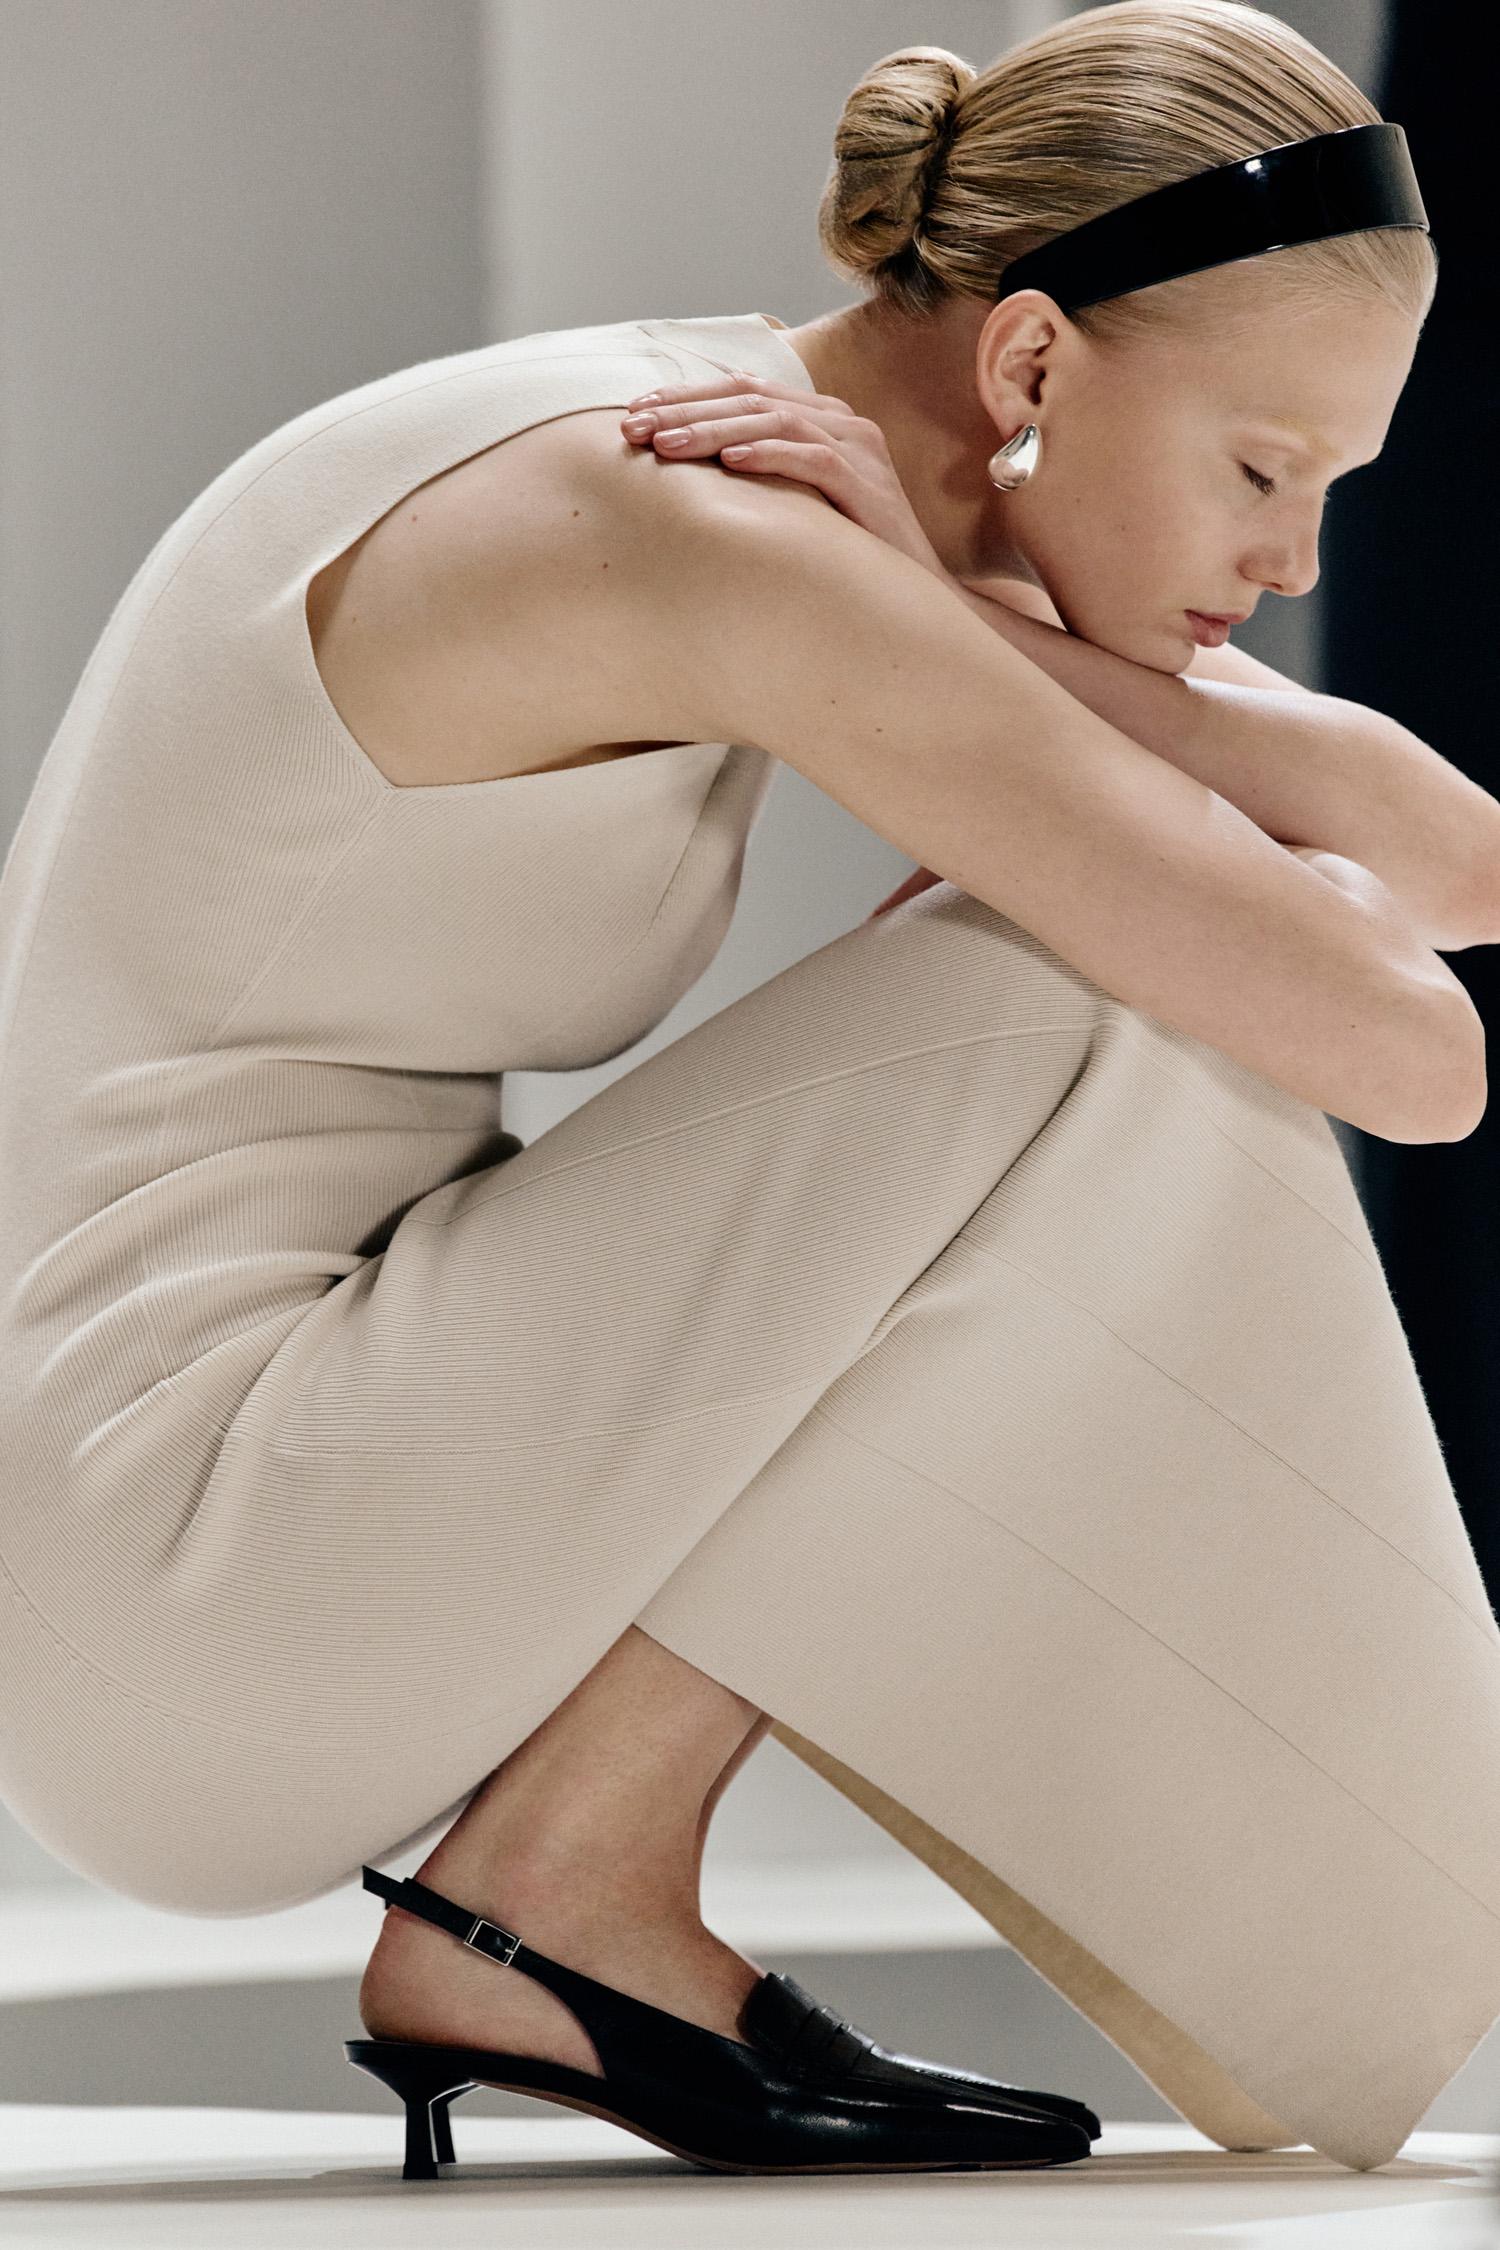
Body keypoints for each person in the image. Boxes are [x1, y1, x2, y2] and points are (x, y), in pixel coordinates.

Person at [1, 0, 1496, 2182]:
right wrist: (942, 623)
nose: (1296, 567)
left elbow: (1462, 868)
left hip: (202, 1494)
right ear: (1032, 362)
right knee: (1074, 986)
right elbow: (1416, 1053)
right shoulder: (706, 516)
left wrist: (973, 621)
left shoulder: (780, 477)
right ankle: (555, 1900)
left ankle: (568, 1889)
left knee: (1101, 957)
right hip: (176, 1555)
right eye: (1264, 472)